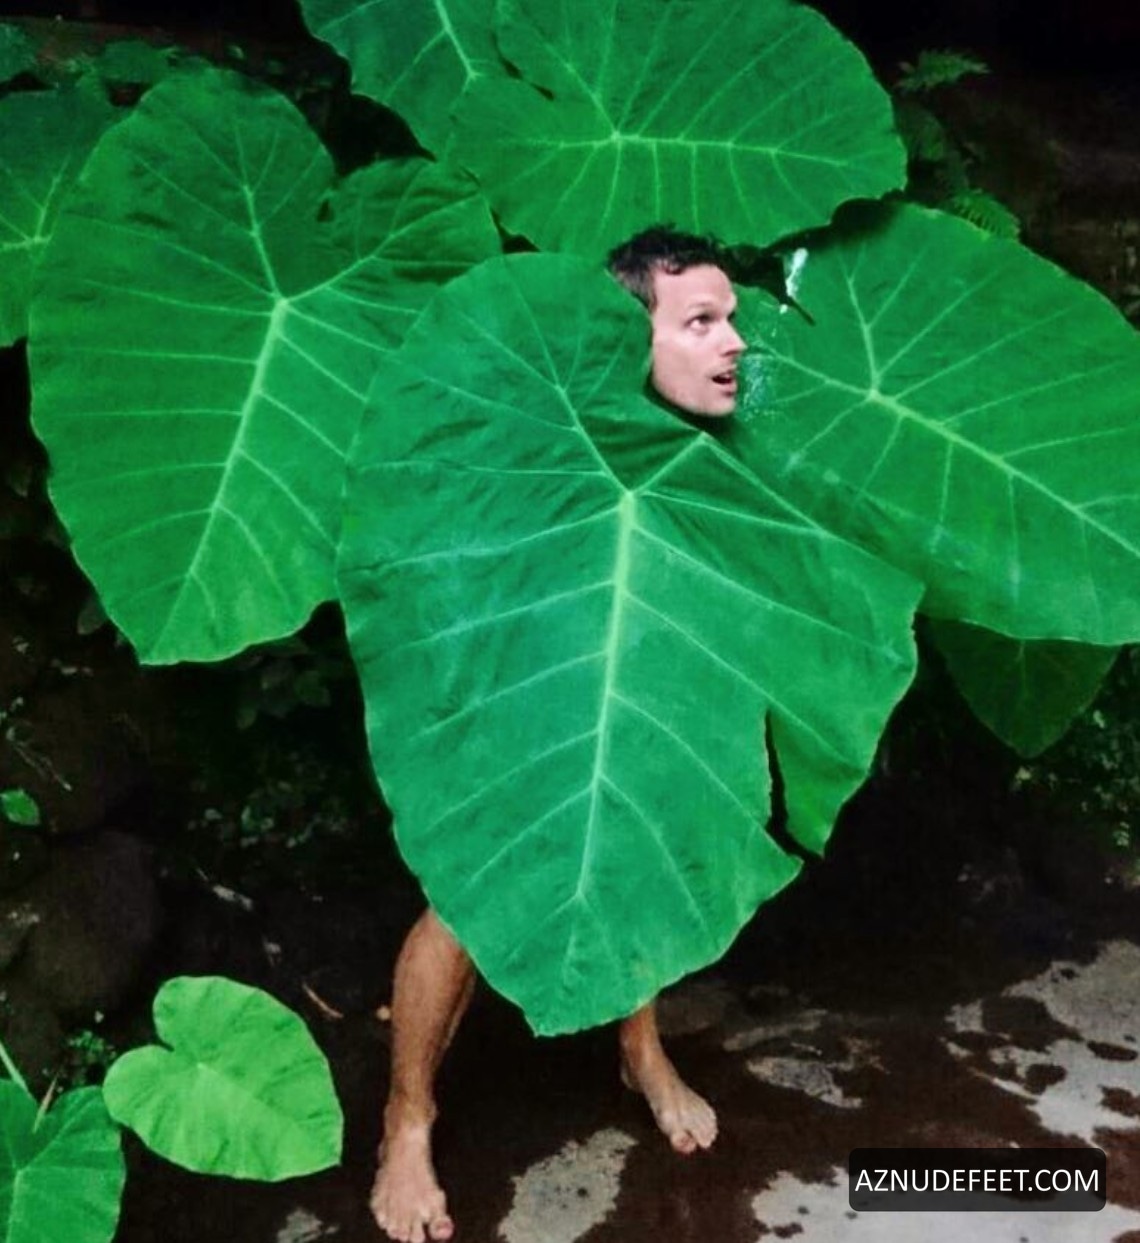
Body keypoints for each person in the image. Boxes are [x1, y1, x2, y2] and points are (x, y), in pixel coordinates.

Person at [371, 227, 747, 1243]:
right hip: (516, 677)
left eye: (732, 318)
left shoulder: (725, 454)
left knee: (638, 847)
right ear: (630, 334)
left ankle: (641, 1049)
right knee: (468, 890)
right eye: (701, 322)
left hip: (648, 667)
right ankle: (408, 1116)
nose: (732, 342)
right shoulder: (543, 423)